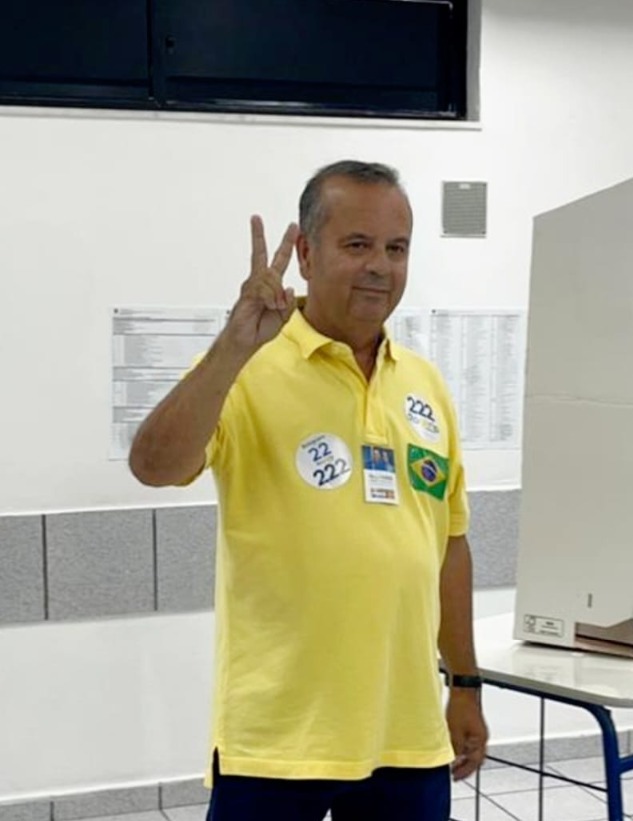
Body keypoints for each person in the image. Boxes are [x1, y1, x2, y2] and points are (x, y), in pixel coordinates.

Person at [129, 160, 488, 820]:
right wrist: (233, 346)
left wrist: (464, 682)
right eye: (357, 245)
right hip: (278, 739)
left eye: (396, 248)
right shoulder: (246, 366)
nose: (379, 265)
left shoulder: (425, 384)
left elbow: (449, 546)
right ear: (304, 252)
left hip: (405, 735)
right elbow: (152, 464)